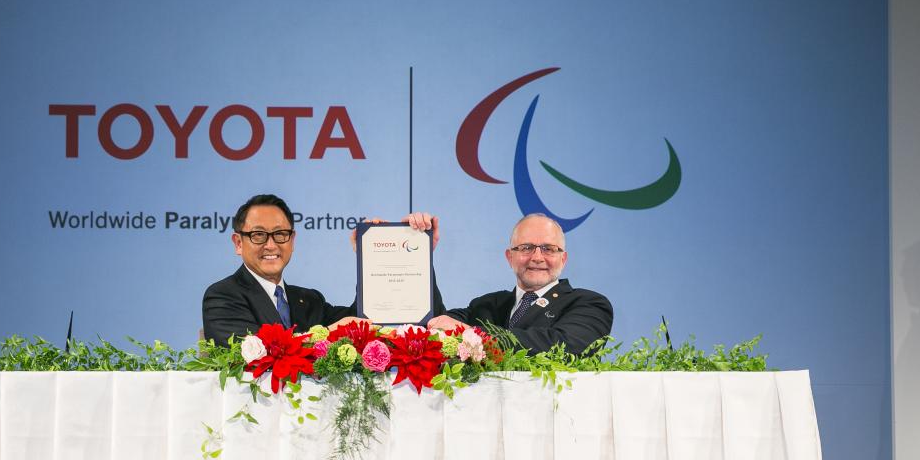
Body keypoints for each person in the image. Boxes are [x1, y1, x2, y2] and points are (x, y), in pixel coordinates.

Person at [201, 194, 439, 343]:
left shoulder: (308, 299)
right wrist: (326, 333)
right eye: (258, 235)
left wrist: (378, 257)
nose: (271, 244)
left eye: (281, 234)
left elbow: (363, 320)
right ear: (238, 243)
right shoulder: (223, 295)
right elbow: (253, 353)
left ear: (292, 240)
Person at [428, 213, 613, 354]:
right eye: (526, 248)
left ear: (563, 259)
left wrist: (473, 335)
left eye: (549, 249)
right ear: (510, 257)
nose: (537, 257)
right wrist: (421, 255)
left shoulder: (589, 304)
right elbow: (436, 325)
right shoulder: (487, 305)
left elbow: (562, 345)